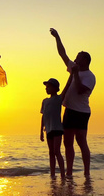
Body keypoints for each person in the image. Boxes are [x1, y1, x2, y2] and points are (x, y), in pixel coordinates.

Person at [50, 28, 96, 177]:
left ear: (85, 61)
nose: (75, 59)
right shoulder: (73, 68)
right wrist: (57, 37)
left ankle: (87, 173)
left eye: (78, 57)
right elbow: (62, 53)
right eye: (75, 57)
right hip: (69, 110)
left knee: (81, 141)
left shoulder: (90, 76)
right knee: (67, 142)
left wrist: (75, 73)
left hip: (81, 112)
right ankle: (69, 172)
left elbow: (80, 90)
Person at [40, 76, 72, 178]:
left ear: (55, 88)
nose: (46, 88)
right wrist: (41, 131)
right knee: (51, 153)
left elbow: (67, 87)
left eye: (48, 87)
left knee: (57, 151)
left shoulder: (59, 98)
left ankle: (63, 174)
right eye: (46, 87)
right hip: (48, 129)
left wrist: (72, 75)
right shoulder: (45, 101)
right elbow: (43, 116)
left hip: (57, 128)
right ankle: (52, 174)